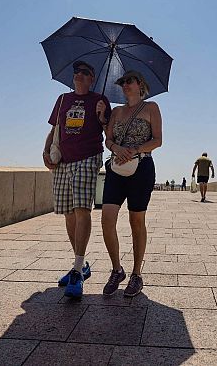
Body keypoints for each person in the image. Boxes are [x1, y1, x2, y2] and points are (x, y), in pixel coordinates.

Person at [42, 60, 111, 299]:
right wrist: (45, 151)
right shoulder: (62, 99)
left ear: (92, 78)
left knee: (82, 210)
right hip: (63, 160)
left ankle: (77, 271)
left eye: (84, 72)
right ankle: (80, 265)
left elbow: (109, 133)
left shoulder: (100, 100)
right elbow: (55, 129)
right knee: (68, 214)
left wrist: (102, 116)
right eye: (76, 72)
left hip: (88, 158)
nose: (79, 75)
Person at [101, 70, 162, 297]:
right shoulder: (117, 111)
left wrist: (134, 150)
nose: (125, 84)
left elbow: (158, 140)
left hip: (142, 167)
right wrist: (117, 148)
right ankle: (117, 270)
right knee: (107, 219)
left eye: (130, 81)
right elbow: (108, 140)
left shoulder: (151, 107)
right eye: (122, 82)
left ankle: (137, 274)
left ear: (140, 84)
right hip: (116, 168)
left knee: (136, 220)